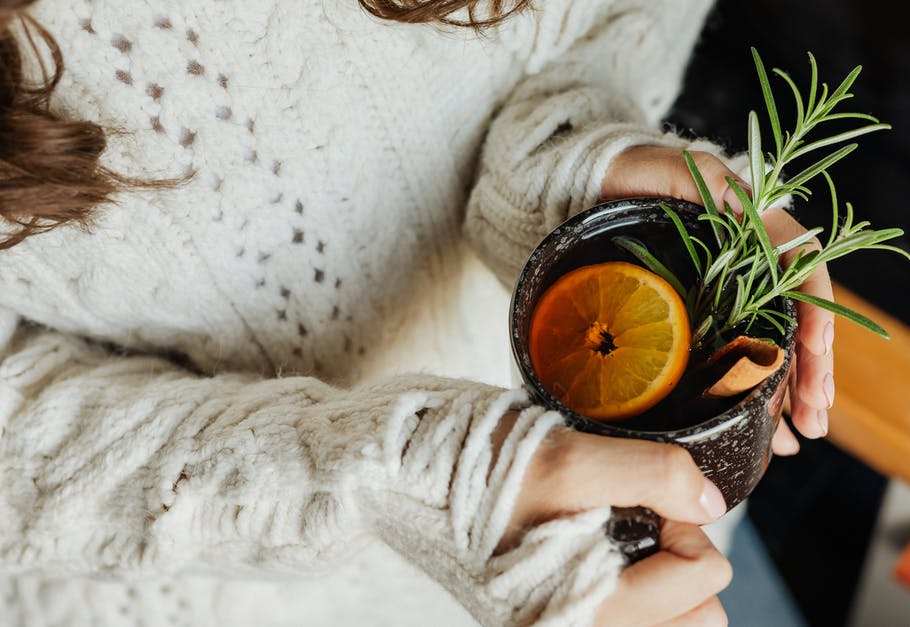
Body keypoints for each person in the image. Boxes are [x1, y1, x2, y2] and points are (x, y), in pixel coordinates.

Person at [0, 0, 838, 624]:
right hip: (232, 578)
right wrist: (396, 468)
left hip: (639, 528)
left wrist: (575, 172)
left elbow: (609, 28)